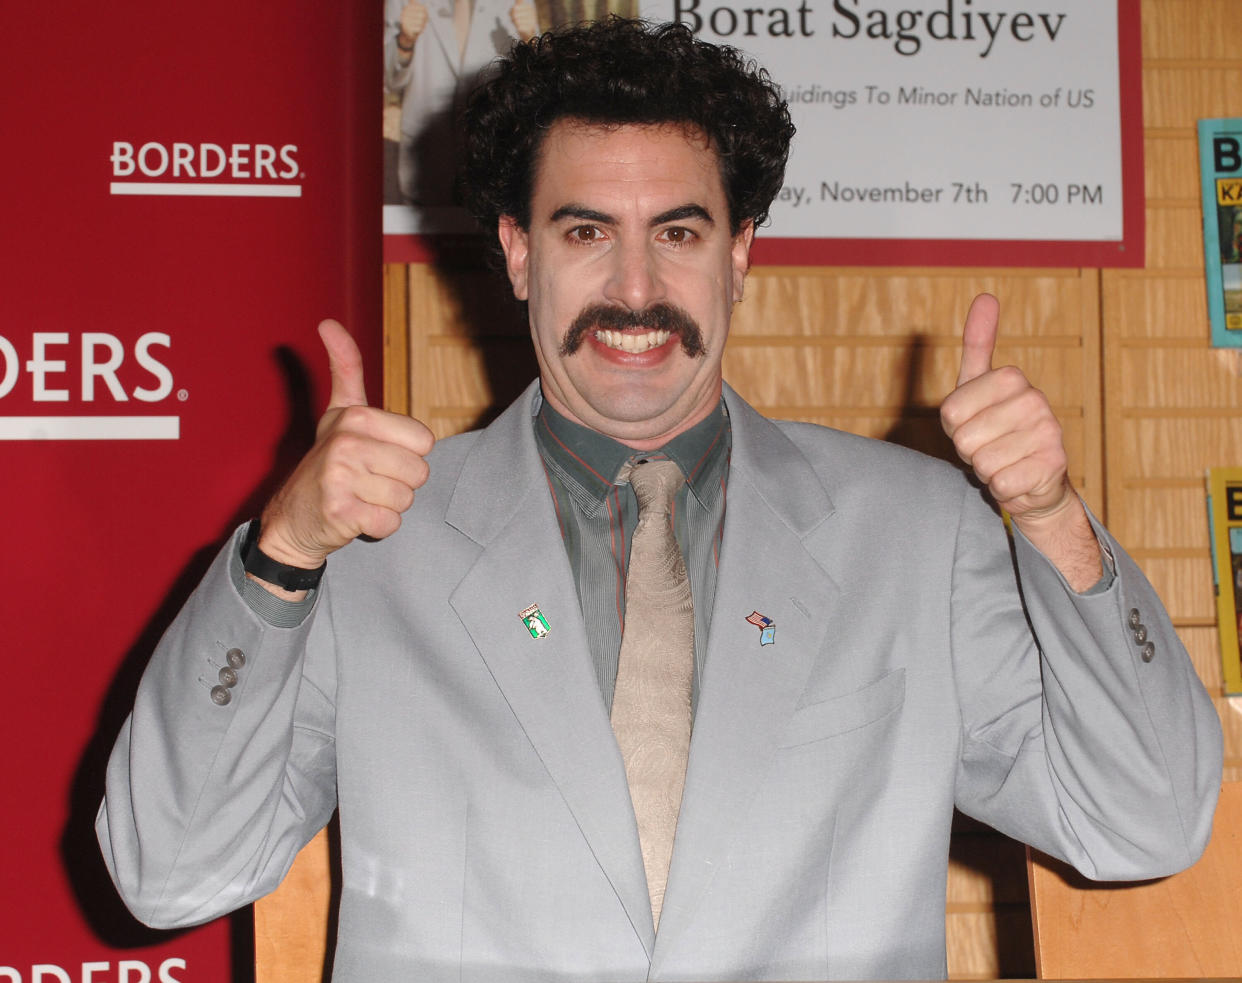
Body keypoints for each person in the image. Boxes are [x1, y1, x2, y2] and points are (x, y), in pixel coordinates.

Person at [98, 18, 1222, 982]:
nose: (635, 290)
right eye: (586, 232)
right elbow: (168, 872)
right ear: (518, 254)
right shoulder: (371, 545)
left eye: (677, 234)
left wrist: (1051, 518)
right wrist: (284, 549)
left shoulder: (917, 532)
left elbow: (1142, 820)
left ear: (740, 254)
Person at [385, 0, 538, 208]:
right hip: (425, 155)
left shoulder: (519, 3)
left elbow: (534, 81)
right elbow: (388, 80)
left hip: (493, 152)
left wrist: (530, 37)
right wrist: (404, 42)